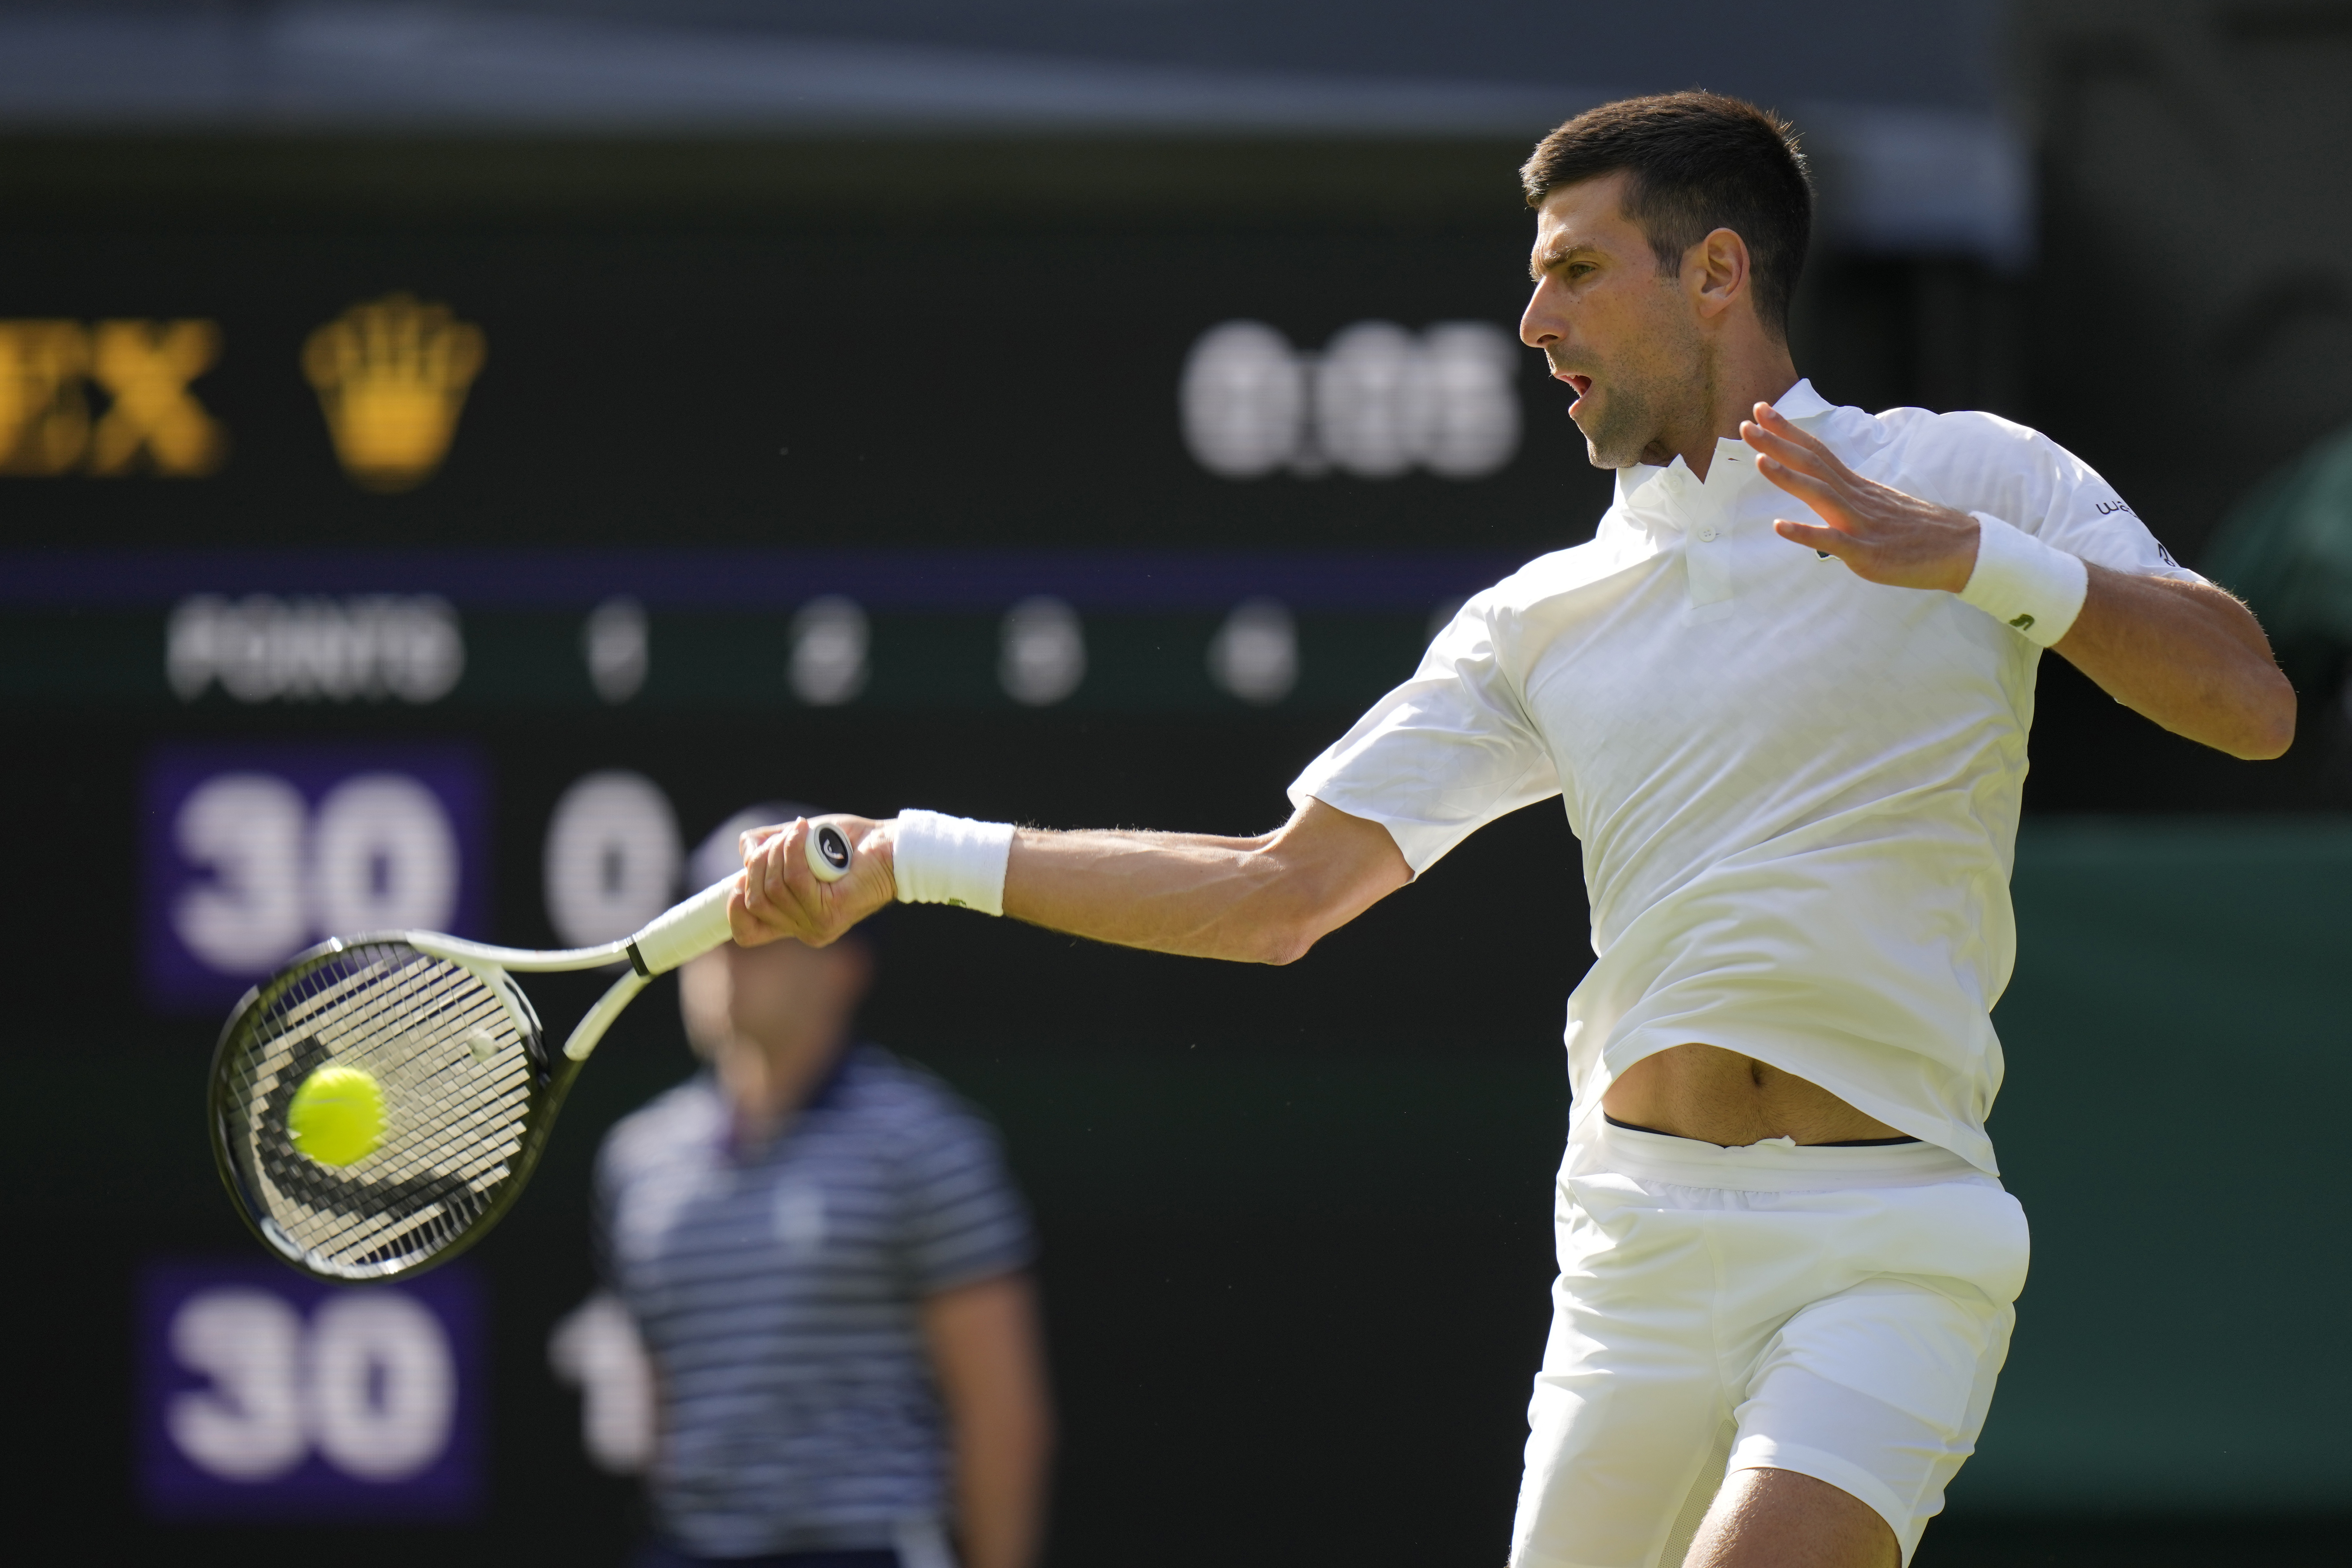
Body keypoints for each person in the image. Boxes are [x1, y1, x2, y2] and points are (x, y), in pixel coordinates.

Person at [721, 94, 2295, 1568]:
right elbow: (1280, 894)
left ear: (1717, 274)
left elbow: (2248, 700)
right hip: (1634, 1257)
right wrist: (918, 852)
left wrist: (1975, 560)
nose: (1535, 324)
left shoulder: (1970, 475)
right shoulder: (1533, 623)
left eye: (1576, 273)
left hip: (1890, 1247)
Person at [593, 804, 1053, 1568]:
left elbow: (1000, 1416)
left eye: (761, 929)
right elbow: (667, 1413)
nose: (727, 951)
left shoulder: (928, 1144)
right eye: (709, 926)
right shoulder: (637, 1162)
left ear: (846, 965)